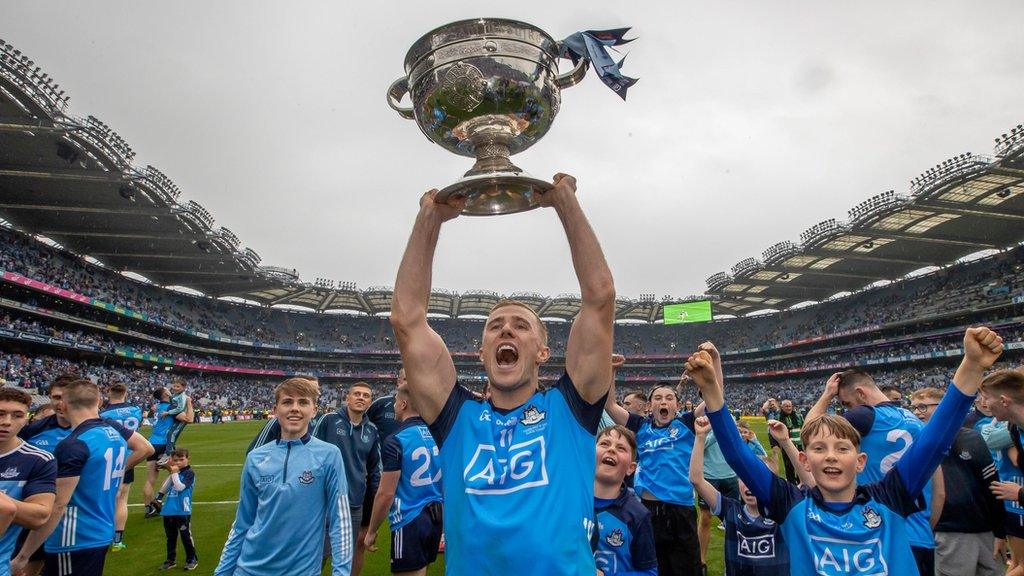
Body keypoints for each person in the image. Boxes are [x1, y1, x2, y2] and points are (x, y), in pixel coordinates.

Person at [389, 173, 615, 574]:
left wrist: (564, 203)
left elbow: (599, 298)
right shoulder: (457, 418)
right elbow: (407, 320)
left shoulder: (570, 409)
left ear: (543, 352)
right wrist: (429, 219)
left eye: (521, 325)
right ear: (481, 352)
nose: (506, 329)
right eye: (495, 326)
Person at [690, 327, 1003, 576]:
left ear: (860, 460)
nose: (830, 455)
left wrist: (971, 367)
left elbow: (935, 441)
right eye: (819, 448)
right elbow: (738, 456)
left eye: (842, 447)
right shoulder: (789, 504)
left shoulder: (890, 497)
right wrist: (712, 392)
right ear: (804, 460)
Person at [14, 379, 153, 576]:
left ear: (62, 405)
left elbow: (58, 504)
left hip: (72, 535)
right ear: (98, 400)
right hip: (101, 529)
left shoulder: (74, 444)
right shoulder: (113, 433)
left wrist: (23, 555)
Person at [806, 369, 939, 574]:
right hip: (921, 534)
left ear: (860, 393)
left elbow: (811, 431)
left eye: (847, 404)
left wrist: (827, 395)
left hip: (882, 531)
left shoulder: (866, 416)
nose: (848, 409)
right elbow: (939, 490)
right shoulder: (915, 421)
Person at [214, 377, 351, 576]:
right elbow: (242, 523)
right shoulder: (255, 458)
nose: (295, 408)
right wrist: (222, 572)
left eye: (303, 402)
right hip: (248, 569)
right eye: (287, 402)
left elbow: (341, 522)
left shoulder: (329, 455)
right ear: (276, 409)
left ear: (314, 410)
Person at [604, 342, 715, 576]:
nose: (663, 402)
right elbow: (611, 406)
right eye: (658, 398)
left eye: (668, 398)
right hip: (647, 509)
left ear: (677, 404)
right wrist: (612, 371)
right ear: (649, 405)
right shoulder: (641, 426)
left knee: (686, 569)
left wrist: (713, 368)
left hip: (681, 510)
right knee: (653, 568)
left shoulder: (686, 423)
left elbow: (715, 400)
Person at [911, 387, 1004, 576]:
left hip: (985, 531)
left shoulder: (971, 438)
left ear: (944, 407)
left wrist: (1000, 531)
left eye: (922, 407)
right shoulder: (914, 443)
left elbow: (992, 486)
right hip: (948, 533)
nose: (916, 412)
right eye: (913, 408)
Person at [690, 415, 793, 576]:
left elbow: (811, 484)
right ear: (738, 479)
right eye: (745, 479)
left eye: (758, 479)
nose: (751, 484)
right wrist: (700, 437)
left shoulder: (784, 513)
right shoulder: (730, 510)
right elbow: (696, 479)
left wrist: (786, 443)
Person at [363, 383, 442, 576]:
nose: (394, 406)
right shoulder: (438, 434)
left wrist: (371, 530)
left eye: (396, 401)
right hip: (437, 517)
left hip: (409, 519)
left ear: (404, 404)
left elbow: (386, 493)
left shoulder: (396, 440)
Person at [312, 381, 381, 576]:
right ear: (347, 398)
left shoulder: (372, 430)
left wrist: (370, 509)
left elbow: (375, 471)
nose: (361, 397)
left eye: (366, 395)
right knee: (316, 555)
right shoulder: (329, 420)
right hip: (323, 502)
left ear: (370, 402)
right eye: (357, 393)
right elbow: (309, 453)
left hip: (353, 506)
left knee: (345, 557)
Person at [0, 388, 57, 576]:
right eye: (0, 414)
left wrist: (6, 505)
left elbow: (39, 516)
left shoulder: (38, 460)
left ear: (26, 419)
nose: (7, 422)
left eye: (17, 415)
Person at [593, 425, 657, 576]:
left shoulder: (638, 515)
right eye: (604, 444)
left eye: (621, 448)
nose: (612, 449)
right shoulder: (569, 501)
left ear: (631, 468)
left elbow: (649, 573)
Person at [978, 369, 1024, 576]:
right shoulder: (1015, 430)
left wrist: (1020, 494)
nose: (984, 404)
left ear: (1004, 400)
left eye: (987, 397)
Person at [99, 383, 143, 552]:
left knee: (103, 498)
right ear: (126, 392)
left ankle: (102, 535)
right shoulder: (136, 410)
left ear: (108, 391)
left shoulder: (103, 414)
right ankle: (117, 540)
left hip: (107, 457)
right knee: (122, 499)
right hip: (128, 457)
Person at [246, 376, 320, 454]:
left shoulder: (323, 418)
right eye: (312, 388)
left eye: (318, 389)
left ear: (314, 411)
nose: (318, 392)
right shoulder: (277, 421)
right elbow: (255, 452)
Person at [158, 448, 198, 571]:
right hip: (169, 509)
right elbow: (166, 486)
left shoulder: (189, 473)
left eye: (182, 460)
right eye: (176, 460)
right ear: (172, 460)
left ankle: (192, 559)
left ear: (187, 459)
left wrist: (174, 473)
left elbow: (180, 487)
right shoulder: (175, 472)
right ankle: (170, 560)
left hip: (182, 510)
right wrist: (158, 497)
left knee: (186, 536)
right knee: (170, 537)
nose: (179, 462)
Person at [144, 388, 174, 518]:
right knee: (176, 471)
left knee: (150, 479)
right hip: (164, 444)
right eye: (168, 390)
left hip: (151, 443)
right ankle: (159, 497)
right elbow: (186, 417)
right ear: (166, 394)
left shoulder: (157, 407)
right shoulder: (170, 407)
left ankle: (149, 509)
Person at [161, 379, 191, 455]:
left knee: (171, 434)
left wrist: (168, 413)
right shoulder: (176, 395)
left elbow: (180, 408)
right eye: (174, 386)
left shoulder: (182, 397)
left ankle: (169, 454)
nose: (175, 388)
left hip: (181, 419)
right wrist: (170, 395)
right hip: (177, 418)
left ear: (184, 388)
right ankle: (171, 452)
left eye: (178, 386)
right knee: (171, 434)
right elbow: (173, 401)